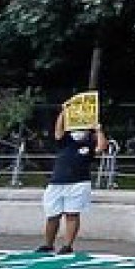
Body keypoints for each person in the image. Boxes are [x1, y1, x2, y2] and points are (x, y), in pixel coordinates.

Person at [40, 102, 107, 255]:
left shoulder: (89, 142)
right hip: (57, 181)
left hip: (79, 182)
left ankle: (67, 245)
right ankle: (48, 244)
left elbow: (102, 147)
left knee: (72, 213)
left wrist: (98, 130)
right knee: (52, 215)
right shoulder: (66, 140)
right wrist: (64, 112)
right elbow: (58, 131)